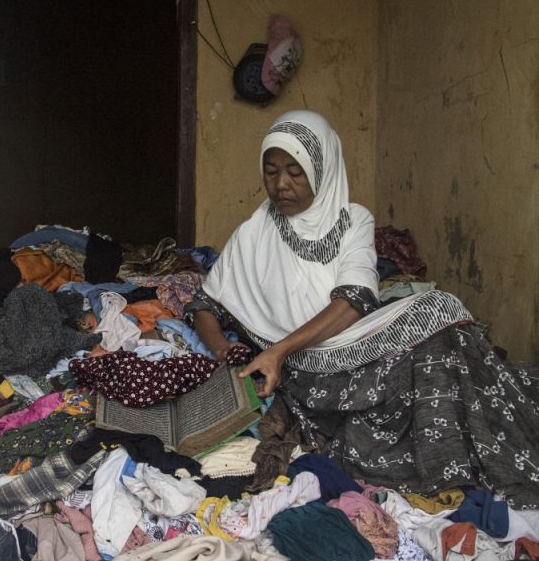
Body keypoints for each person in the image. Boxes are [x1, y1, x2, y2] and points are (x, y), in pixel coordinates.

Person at [187, 109, 539, 505]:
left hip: (349, 345)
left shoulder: (353, 221)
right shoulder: (252, 235)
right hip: (309, 373)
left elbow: (355, 300)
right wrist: (221, 350)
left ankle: (469, 455)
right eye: (271, 171)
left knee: (445, 325)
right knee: (439, 354)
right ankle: (448, 462)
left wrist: (277, 350)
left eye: (295, 171)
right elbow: (206, 304)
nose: (281, 184)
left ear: (322, 169)